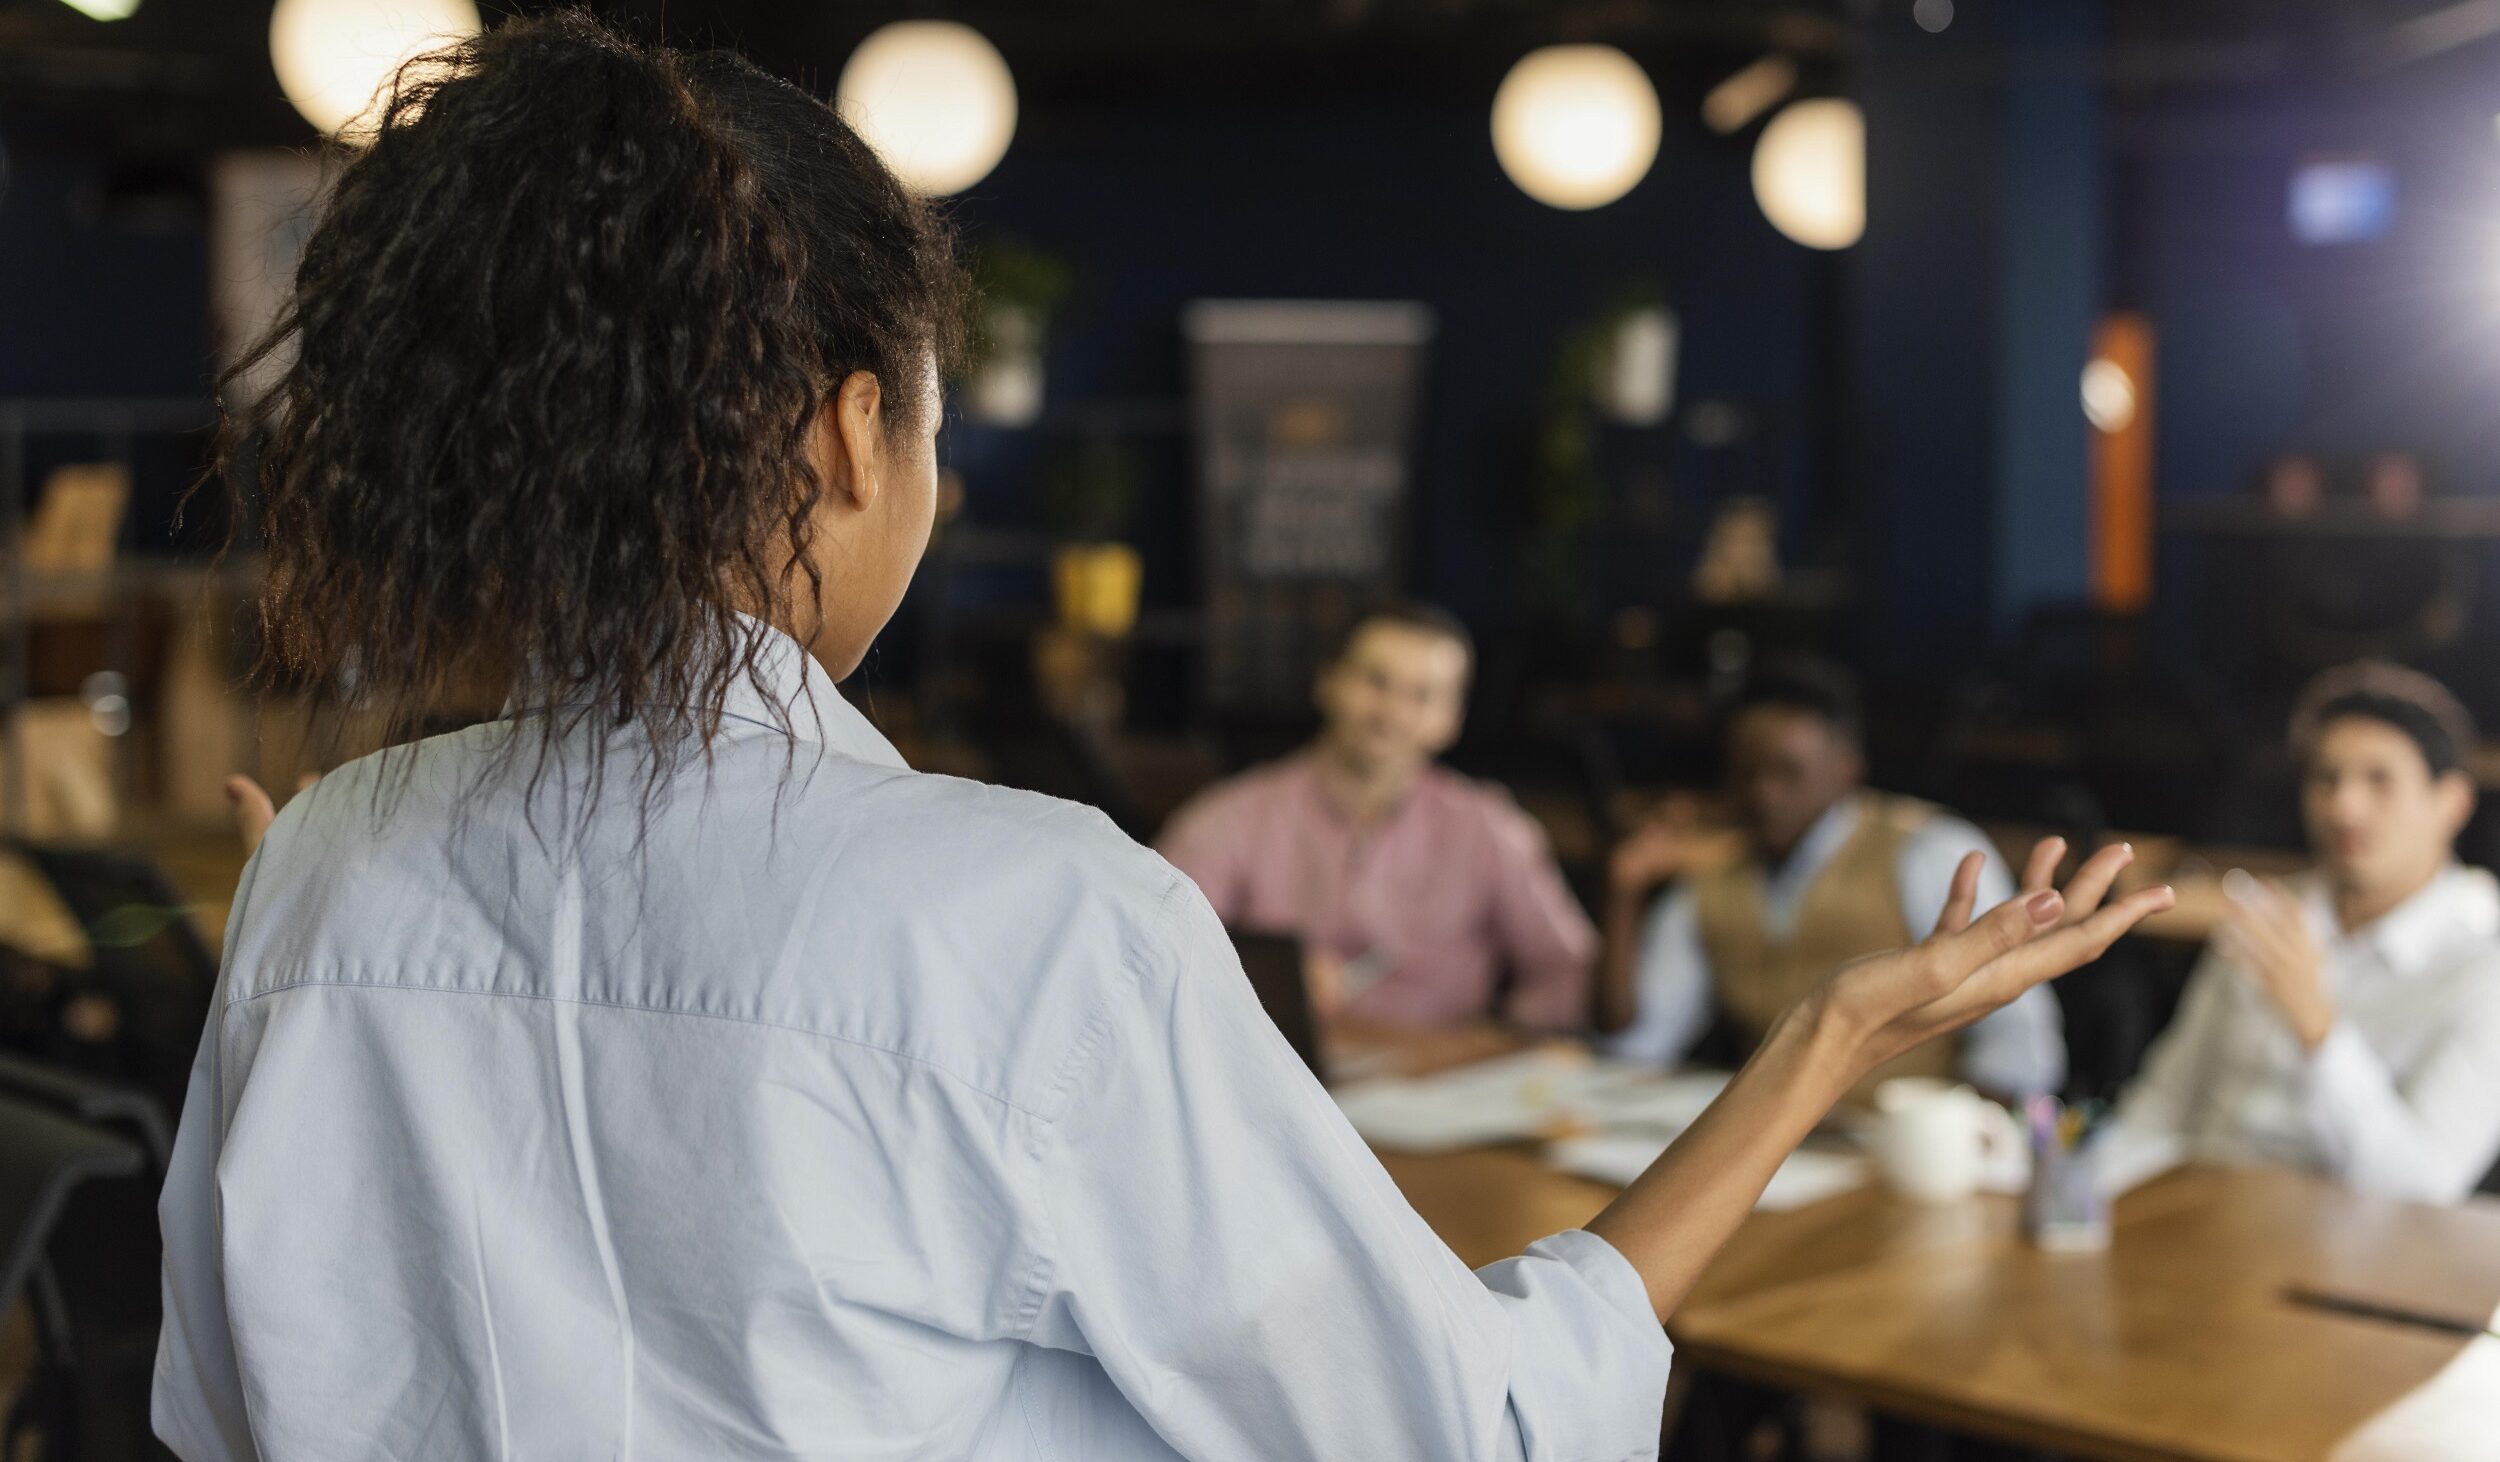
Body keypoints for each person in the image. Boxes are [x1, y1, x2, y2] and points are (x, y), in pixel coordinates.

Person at [153, 17, 2171, 1459]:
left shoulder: (326, 866)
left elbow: (230, 1398)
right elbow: (1472, 1428)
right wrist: (1817, 1044)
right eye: (931, 423)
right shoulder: (1024, 920)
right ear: (851, 427)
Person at [2107, 661, 2500, 1203]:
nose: (2344, 807)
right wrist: (2081, 1200)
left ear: (2452, 802)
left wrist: (2318, 1030)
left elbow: (2424, 1193)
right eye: (2327, 778)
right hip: (2194, 1227)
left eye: (2379, 780)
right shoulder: (2270, 915)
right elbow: (2164, 1105)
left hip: (2345, 1261)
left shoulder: (2482, 969)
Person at [1599, 661, 2067, 1098]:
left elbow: (2021, 1047)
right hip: (1759, 1148)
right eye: (1746, 773)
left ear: (1847, 767)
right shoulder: (1713, 871)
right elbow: (1635, 1041)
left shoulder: (1928, 851)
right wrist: (1624, 892)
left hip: (1895, 1143)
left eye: (1787, 773)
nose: (1764, 794)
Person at [1157, 604, 1597, 1033]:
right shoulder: (1232, 818)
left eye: (1421, 696)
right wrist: (1256, 984)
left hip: (1444, 1079)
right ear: (1327, 683)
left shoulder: (1489, 828)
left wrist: (1498, 1044)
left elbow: (1568, 969)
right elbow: (1153, 950)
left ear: (1450, 720)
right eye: (1375, 682)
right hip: (1276, 1073)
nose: (1391, 712)